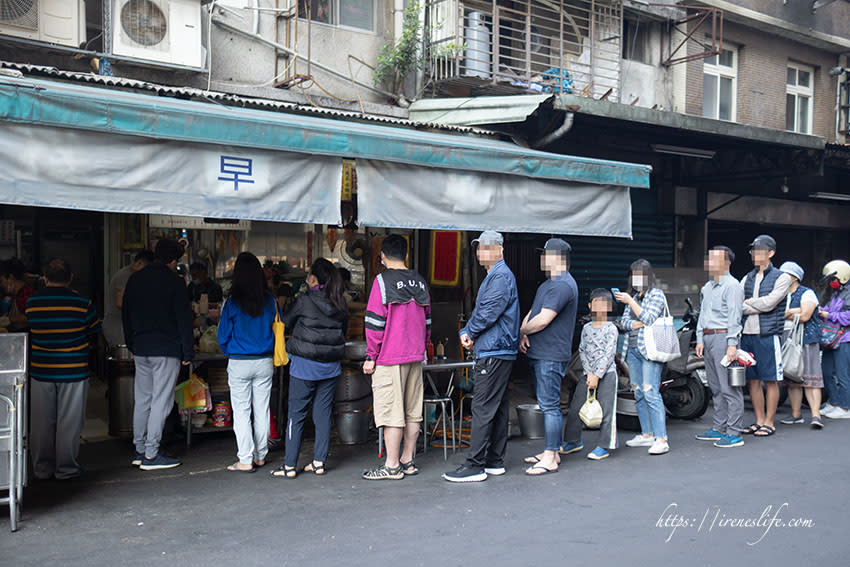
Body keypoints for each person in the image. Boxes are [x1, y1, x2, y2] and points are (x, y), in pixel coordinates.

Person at [443, 231, 520, 483]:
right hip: (499, 348)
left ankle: (475, 464)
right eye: (478, 248)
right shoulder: (496, 275)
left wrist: (468, 331)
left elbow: (489, 311)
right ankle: (494, 461)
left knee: (483, 406)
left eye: (486, 247)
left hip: (494, 349)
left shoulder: (499, 276)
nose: (480, 252)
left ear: (500, 250)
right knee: (496, 406)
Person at [361, 235, 431, 480]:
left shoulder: (381, 282)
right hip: (415, 356)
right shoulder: (420, 282)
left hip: (390, 357)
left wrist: (371, 355)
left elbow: (374, 323)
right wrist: (422, 348)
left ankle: (391, 466)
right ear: (407, 255)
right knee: (413, 411)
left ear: (382, 256)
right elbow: (428, 323)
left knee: (392, 412)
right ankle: (408, 460)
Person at [122, 239, 194, 471]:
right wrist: (188, 351)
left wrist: (131, 344)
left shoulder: (135, 279)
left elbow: (126, 314)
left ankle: (140, 449)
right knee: (160, 402)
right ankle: (152, 454)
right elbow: (183, 319)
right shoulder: (174, 282)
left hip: (141, 348)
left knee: (142, 399)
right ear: (173, 261)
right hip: (166, 349)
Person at [272, 258, 348, 478]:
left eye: (308, 275)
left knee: (296, 414)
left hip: (305, 365)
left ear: (313, 278)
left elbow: (286, 320)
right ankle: (318, 463)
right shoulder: (340, 301)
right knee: (323, 414)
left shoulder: (304, 300)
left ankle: (288, 466)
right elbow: (343, 328)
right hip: (331, 365)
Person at [25, 258, 100, 480]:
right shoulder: (82, 303)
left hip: (41, 370)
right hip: (73, 369)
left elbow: (32, 328)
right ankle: (66, 469)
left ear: (45, 278)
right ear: (70, 278)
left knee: (41, 423)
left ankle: (41, 469)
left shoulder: (32, 302)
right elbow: (94, 330)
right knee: (69, 421)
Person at [519, 238, 578, 475]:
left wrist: (522, 331)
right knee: (546, 404)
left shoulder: (562, 285)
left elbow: (544, 319)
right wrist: (524, 332)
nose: (541, 258)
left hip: (551, 355)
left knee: (550, 405)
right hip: (541, 353)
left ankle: (551, 456)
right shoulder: (548, 284)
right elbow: (532, 313)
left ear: (557, 257)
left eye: (545, 254)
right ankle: (549, 452)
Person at [217, 252, 277, 472]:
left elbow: (223, 335)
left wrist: (229, 351)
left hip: (240, 361)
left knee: (241, 411)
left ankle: (245, 459)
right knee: (262, 409)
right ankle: (261, 456)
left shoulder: (232, 302)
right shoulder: (269, 300)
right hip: (264, 361)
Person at [615, 259, 671, 455]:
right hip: (632, 350)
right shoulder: (633, 295)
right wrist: (635, 321)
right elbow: (623, 323)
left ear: (648, 276)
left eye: (641, 274)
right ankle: (647, 435)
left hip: (650, 350)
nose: (637, 278)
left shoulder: (656, 294)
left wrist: (631, 304)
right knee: (638, 392)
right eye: (634, 274)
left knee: (650, 392)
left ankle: (661, 439)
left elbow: (648, 319)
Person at [739, 235, 791, 437]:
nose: (755, 254)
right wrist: (755, 305)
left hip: (768, 334)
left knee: (771, 379)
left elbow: (770, 304)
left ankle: (769, 422)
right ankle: (759, 420)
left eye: (759, 250)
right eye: (753, 251)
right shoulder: (747, 277)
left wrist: (749, 303)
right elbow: (739, 305)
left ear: (771, 253)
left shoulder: (782, 277)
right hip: (747, 334)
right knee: (752, 380)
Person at [694, 246, 746, 448]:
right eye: (709, 258)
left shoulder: (732, 286)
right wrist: (699, 338)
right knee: (715, 387)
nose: (709, 263)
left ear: (727, 263)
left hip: (724, 338)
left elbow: (735, 317)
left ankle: (734, 433)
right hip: (708, 338)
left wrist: (732, 344)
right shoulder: (707, 287)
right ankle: (719, 427)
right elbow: (702, 315)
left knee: (730, 387)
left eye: (715, 259)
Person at [562, 288, 619, 461]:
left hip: (607, 375)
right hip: (588, 375)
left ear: (609, 307)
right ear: (589, 306)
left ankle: (604, 445)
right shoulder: (586, 328)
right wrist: (589, 373)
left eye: (604, 304)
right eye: (596, 303)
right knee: (576, 409)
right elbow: (582, 351)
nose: (600, 307)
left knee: (607, 411)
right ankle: (573, 441)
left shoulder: (611, 328)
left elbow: (609, 354)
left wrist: (597, 375)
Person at [776, 261, 824, 427]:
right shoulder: (780, 294)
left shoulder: (807, 293)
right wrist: (793, 312)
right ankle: (796, 415)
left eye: (784, 274)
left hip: (805, 338)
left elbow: (806, 315)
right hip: (786, 337)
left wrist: (789, 312)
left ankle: (815, 416)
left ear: (795, 277)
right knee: (792, 377)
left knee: (811, 379)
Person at [102, 250, 155, 348]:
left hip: (125, 326)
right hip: (117, 327)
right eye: (146, 268)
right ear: (139, 263)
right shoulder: (125, 276)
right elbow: (119, 302)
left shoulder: (134, 276)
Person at [818, 259, 850, 420]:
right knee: (826, 371)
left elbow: (848, 317)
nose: (831, 283)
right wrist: (821, 310)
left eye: (833, 279)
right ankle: (835, 403)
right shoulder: (837, 294)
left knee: (843, 374)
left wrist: (828, 315)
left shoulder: (849, 294)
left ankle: (846, 408)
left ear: (843, 277)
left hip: (844, 339)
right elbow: (828, 309)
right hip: (831, 338)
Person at [0, 258, 34, 330]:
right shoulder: (15, 296)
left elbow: (30, 316)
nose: (1, 285)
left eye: (1, 281)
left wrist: (9, 319)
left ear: (11, 278)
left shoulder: (26, 294)